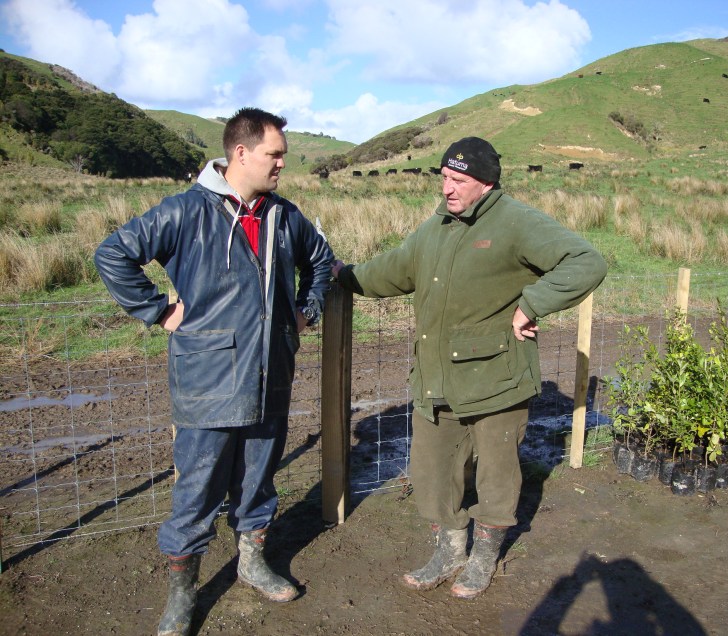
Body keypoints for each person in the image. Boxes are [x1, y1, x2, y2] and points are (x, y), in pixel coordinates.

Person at [332, 137, 607, 600]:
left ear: (486, 182)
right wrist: (344, 273)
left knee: (497, 476)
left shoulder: (516, 221)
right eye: (444, 177)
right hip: (436, 379)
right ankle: (449, 551)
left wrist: (532, 305)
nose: (448, 188)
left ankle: (483, 558)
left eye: (458, 180)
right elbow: (391, 270)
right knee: (432, 472)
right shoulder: (435, 227)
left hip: (497, 379)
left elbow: (586, 261)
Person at [95, 107, 335, 635]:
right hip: (207, 380)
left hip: (271, 375)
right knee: (197, 491)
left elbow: (321, 261)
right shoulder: (185, 211)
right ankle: (183, 595)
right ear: (241, 153)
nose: (282, 164)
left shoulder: (284, 215)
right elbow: (113, 254)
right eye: (275, 155)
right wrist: (159, 310)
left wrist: (306, 310)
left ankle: (252, 563)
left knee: (258, 482)